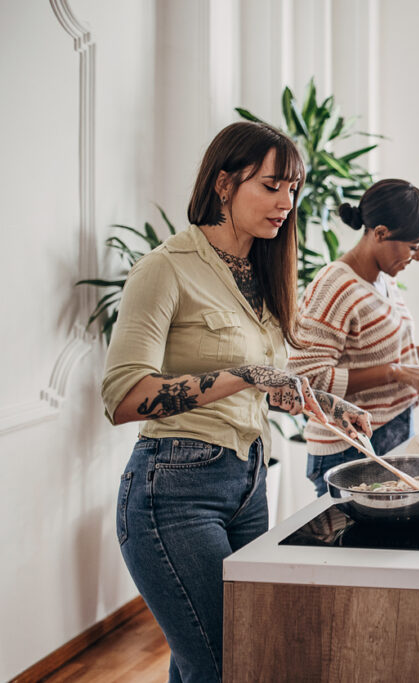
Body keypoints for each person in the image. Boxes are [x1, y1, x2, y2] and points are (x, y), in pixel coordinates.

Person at [102, 121, 371, 683]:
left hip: (248, 482)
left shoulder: (263, 271)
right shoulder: (165, 268)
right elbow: (125, 397)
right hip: (174, 490)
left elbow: (263, 381)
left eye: (293, 189)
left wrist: (323, 402)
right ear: (224, 184)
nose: (286, 203)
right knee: (227, 663)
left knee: (216, 656)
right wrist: (245, 373)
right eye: (272, 186)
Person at [287, 178, 419, 495]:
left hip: (391, 431)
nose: (417, 257)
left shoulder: (384, 280)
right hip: (348, 445)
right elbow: (304, 378)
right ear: (381, 233)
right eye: (414, 246)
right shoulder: (334, 286)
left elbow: (378, 355)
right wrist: (395, 373)